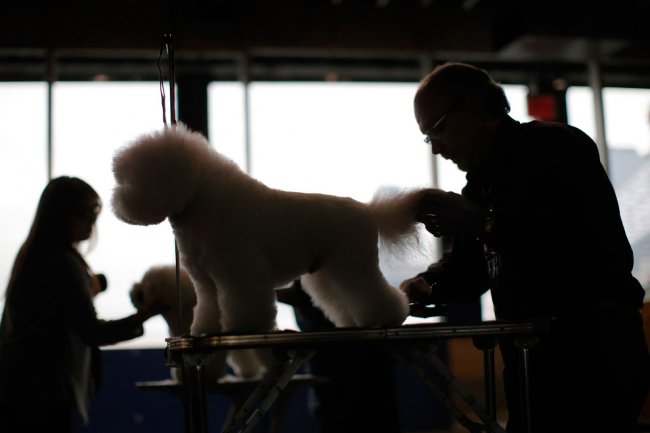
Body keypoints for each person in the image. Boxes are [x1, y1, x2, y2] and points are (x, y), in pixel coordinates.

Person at [400, 62, 650, 433]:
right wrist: (428, 283)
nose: (436, 148)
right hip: (531, 361)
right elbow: (472, 268)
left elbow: (581, 251)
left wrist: (482, 224)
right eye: (428, 138)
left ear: (471, 109)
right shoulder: (480, 186)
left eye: (437, 129)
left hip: (592, 354)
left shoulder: (558, 148)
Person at [0, 176, 161, 433]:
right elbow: (92, 331)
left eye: (94, 213)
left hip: (16, 390)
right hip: (41, 395)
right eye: (85, 213)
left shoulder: (32, 256)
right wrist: (147, 314)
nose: (91, 221)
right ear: (61, 215)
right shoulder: (63, 263)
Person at [277, 280, 402, 433]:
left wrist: (260, 290)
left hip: (340, 350)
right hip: (353, 347)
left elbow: (306, 295)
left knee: (340, 412)